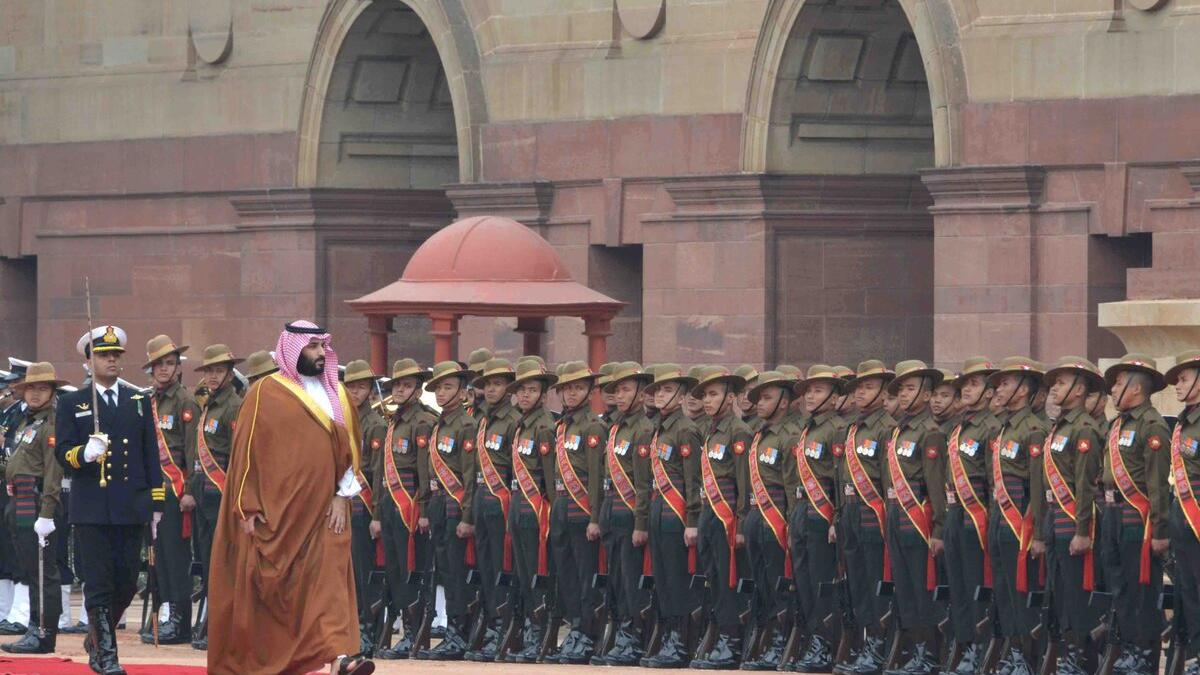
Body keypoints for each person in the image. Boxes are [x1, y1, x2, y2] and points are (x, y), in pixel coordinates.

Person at [207, 321, 372, 675]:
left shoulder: (337, 394)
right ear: (293, 349)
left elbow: (351, 451)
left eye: (322, 347)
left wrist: (344, 496)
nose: (320, 353)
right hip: (278, 515)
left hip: (328, 510)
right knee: (276, 594)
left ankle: (340, 658)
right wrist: (246, 506)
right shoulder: (265, 392)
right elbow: (246, 455)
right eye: (312, 347)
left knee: (331, 580)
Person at [56, 326, 163, 675]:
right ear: (90, 361)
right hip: (92, 507)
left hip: (130, 505)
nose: (112, 359)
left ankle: (95, 637)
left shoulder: (137, 400)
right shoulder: (74, 402)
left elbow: (150, 452)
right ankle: (107, 656)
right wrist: (84, 453)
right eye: (104, 355)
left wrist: (156, 502)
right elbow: (62, 453)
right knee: (99, 583)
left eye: (116, 354)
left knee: (128, 581)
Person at [1100, 354, 1171, 675]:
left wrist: (1159, 530)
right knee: (1120, 587)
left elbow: (1157, 485)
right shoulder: (1117, 425)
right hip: (1112, 513)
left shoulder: (1151, 425)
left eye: (1117, 383)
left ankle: (1144, 654)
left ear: (1136, 389)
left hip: (1137, 518)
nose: (1112, 389)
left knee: (1142, 589)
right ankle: (1129, 648)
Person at [880, 360, 948, 675]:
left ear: (926, 393)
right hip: (896, 515)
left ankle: (929, 653)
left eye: (910, 389)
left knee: (922, 588)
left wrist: (938, 528)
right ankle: (914, 651)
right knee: (904, 588)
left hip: (918, 517)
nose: (904, 395)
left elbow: (935, 486)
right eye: (901, 389)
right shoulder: (897, 431)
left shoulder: (930, 433)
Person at [1039, 357, 1105, 675]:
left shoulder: (1084, 429)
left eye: (1062, 383)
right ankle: (1069, 653)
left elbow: (1084, 486)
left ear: (1079, 390)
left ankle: (1081, 658)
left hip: (1071, 523)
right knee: (1059, 593)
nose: (1055, 387)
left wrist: (1082, 530)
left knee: (1077, 597)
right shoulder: (1060, 427)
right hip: (1054, 521)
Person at [832, 360, 896, 675]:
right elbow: (838, 474)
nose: (860, 393)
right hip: (849, 512)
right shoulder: (853, 427)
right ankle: (864, 642)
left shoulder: (887, 428)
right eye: (858, 387)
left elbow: (889, 478)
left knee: (875, 581)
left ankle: (880, 644)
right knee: (856, 582)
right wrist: (837, 517)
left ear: (885, 392)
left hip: (874, 513)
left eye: (868, 387)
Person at [638, 364, 704, 668]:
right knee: (662, 579)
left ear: (681, 396)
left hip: (676, 515)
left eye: (666, 390)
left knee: (677, 580)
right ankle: (667, 637)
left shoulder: (686, 429)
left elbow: (694, 480)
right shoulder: (659, 429)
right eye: (657, 390)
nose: (660, 396)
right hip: (658, 511)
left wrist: (692, 521)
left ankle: (679, 641)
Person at [985, 357, 1047, 675]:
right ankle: (1014, 651)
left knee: (1022, 593)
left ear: (1023, 389)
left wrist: (1037, 533)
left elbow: (1037, 485)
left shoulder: (1034, 429)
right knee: (1005, 592)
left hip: (1020, 520)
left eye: (1007, 383)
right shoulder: (1005, 427)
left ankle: (1028, 656)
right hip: (1000, 519)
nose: (1000, 388)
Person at [688, 365, 753, 670]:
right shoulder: (708, 430)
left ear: (730, 398)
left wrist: (740, 523)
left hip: (727, 515)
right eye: (705, 396)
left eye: (713, 394)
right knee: (712, 577)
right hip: (709, 515)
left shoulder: (738, 431)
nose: (707, 401)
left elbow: (744, 483)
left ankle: (732, 638)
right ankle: (719, 635)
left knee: (729, 579)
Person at [1, 363, 68, 654]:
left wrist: (47, 512)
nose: (36, 393)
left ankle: (43, 633)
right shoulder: (28, 424)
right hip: (20, 501)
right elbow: (16, 465)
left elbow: (53, 471)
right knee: (30, 570)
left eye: (43, 388)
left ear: (52, 392)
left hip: (38, 503)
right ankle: (34, 626)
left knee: (43, 572)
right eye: (31, 388)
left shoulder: (51, 423)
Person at [940, 357, 1000, 675]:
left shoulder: (991, 427)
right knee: (959, 585)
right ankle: (965, 644)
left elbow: (993, 479)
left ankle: (981, 648)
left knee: (978, 584)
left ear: (990, 392)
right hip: (955, 510)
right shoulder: (960, 426)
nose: (966, 389)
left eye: (974, 384)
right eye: (964, 384)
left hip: (978, 513)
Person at [415, 360, 479, 661]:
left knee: (455, 572)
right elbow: (429, 473)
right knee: (442, 569)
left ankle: (458, 631)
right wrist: (426, 509)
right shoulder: (440, 423)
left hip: (456, 505)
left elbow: (469, 476)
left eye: (449, 387)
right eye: (439, 387)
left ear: (463, 392)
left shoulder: (466, 425)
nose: (442, 393)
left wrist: (467, 517)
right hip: (439, 503)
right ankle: (453, 630)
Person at [371, 358, 435, 660]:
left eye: (406, 385)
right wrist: (376, 513)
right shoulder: (392, 421)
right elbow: (380, 469)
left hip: (409, 502)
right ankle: (404, 630)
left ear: (418, 390)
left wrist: (423, 510)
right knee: (394, 569)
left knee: (411, 569)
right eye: (396, 385)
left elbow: (424, 470)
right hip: (389, 502)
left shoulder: (422, 421)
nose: (399, 390)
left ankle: (414, 632)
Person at [593, 361, 656, 666]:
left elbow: (644, 483)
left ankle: (633, 637)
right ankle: (619, 631)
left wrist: (641, 524)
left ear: (642, 395)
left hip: (631, 514)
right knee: (616, 580)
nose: (620, 395)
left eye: (627, 389)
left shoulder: (643, 430)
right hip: (612, 512)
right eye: (617, 389)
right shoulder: (615, 427)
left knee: (631, 581)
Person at [788, 365, 850, 673]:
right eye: (809, 391)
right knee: (804, 580)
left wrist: (835, 519)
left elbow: (839, 479)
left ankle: (825, 641)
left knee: (822, 579)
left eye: (819, 390)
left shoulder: (837, 429)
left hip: (822, 510)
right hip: (801, 510)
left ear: (836, 397)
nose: (811, 396)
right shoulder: (807, 428)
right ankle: (813, 637)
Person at [140, 335, 201, 646]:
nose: (164, 369)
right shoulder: (148, 401)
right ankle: (164, 615)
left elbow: (192, 451)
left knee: (176, 556)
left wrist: (189, 489)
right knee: (157, 554)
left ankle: (180, 621)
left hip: (177, 489)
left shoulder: (185, 401)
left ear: (178, 367)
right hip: (154, 489)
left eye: (169, 363)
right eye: (158, 364)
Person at [545, 361, 607, 664]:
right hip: (560, 507)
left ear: (589, 391)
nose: (572, 393)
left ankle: (586, 630)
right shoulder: (561, 426)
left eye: (578, 387)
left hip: (582, 509)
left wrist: (595, 517)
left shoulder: (593, 427)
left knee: (585, 575)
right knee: (565, 573)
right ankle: (574, 627)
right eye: (567, 388)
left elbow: (596, 477)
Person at [740, 371, 801, 671]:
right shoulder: (761, 434)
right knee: (762, 583)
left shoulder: (790, 435)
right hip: (757, 517)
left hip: (777, 518)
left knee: (780, 584)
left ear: (785, 401)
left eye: (766, 397)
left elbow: (792, 485)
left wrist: (789, 524)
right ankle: (768, 640)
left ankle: (782, 641)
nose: (760, 404)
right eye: (759, 398)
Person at [188, 344, 244, 651]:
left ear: (230, 373)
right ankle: (210, 621)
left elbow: (237, 454)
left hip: (221, 492)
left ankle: (220, 625)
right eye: (208, 370)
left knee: (221, 561)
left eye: (218, 371)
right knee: (207, 560)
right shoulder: (209, 404)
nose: (212, 376)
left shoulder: (233, 406)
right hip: (203, 491)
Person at [466, 358, 522, 662]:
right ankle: (491, 624)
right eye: (487, 384)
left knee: (503, 569)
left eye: (497, 384)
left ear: (508, 389)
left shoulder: (514, 421)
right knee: (486, 569)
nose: (490, 389)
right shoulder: (482, 420)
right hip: (482, 503)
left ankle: (506, 626)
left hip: (504, 505)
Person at [504, 358, 559, 663]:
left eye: (532, 389)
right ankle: (529, 628)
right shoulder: (521, 424)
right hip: (518, 508)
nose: (525, 395)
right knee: (524, 575)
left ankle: (541, 634)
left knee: (539, 576)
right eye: (521, 390)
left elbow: (550, 478)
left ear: (543, 393)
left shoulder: (545, 426)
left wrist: (549, 515)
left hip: (538, 512)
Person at [343, 359, 389, 655]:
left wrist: (377, 516)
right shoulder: (341, 421)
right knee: (346, 571)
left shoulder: (376, 424)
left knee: (365, 571)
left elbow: (380, 474)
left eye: (362, 387)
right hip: (342, 506)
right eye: (352, 386)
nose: (356, 392)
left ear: (371, 391)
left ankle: (369, 628)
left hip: (364, 505)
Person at [1165, 350, 1200, 675]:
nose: (1177, 385)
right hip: (1182, 523)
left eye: (1184, 379)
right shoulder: (1182, 424)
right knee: (1188, 592)